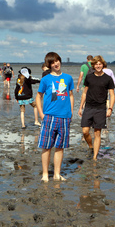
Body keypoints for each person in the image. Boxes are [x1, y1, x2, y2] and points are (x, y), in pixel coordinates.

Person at [35, 52, 74, 182]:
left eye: (57, 61)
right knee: (46, 146)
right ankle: (45, 174)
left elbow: (71, 95)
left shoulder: (68, 78)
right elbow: (38, 96)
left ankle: (57, 174)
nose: (55, 64)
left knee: (60, 147)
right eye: (52, 62)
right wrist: (41, 114)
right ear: (49, 65)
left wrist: (71, 112)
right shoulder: (46, 79)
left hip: (65, 117)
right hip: (49, 117)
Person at [78, 55, 115, 161]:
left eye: (100, 64)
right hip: (89, 107)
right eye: (96, 64)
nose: (98, 66)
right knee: (85, 131)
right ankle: (91, 146)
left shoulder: (108, 79)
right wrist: (80, 107)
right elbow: (84, 93)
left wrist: (110, 109)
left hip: (101, 108)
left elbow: (112, 95)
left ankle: (95, 157)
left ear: (103, 65)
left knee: (97, 133)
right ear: (93, 65)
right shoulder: (89, 77)